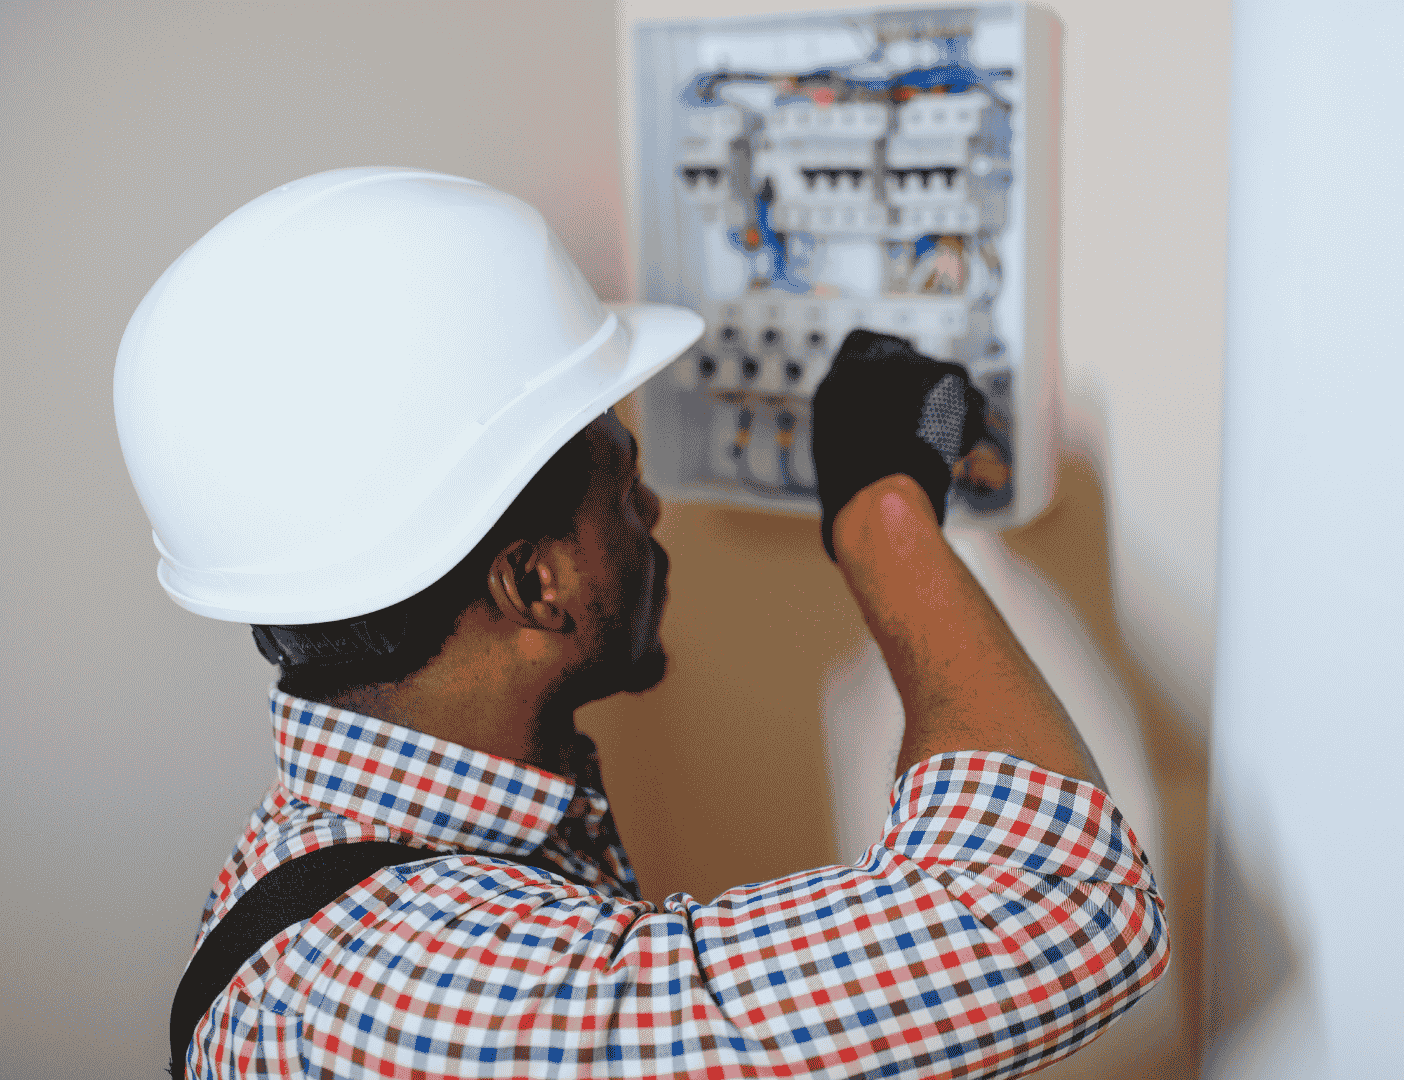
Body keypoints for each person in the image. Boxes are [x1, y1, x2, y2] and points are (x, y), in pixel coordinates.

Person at [118, 168, 1167, 1078]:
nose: (653, 513)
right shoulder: (414, 1005)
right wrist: (882, 517)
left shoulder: (340, 870)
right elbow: (1056, 895)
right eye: (622, 487)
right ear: (536, 585)